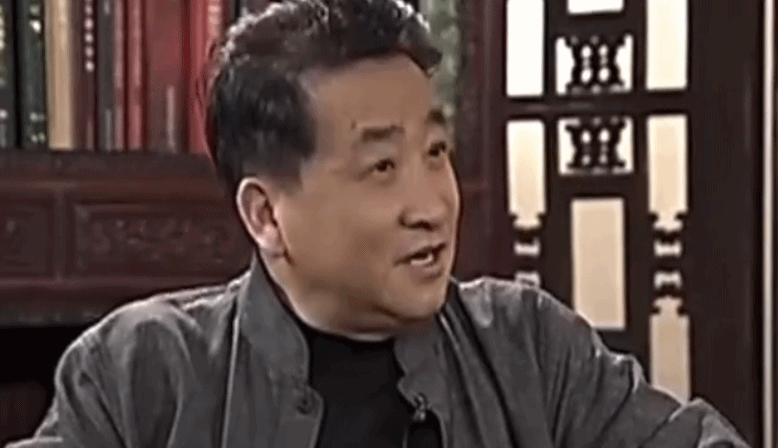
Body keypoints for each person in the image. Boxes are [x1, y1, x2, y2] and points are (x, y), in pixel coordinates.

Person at [6, 0, 750, 447]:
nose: (433, 203)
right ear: (266, 215)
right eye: (382, 166)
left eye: (436, 152)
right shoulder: (142, 373)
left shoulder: (526, 347)